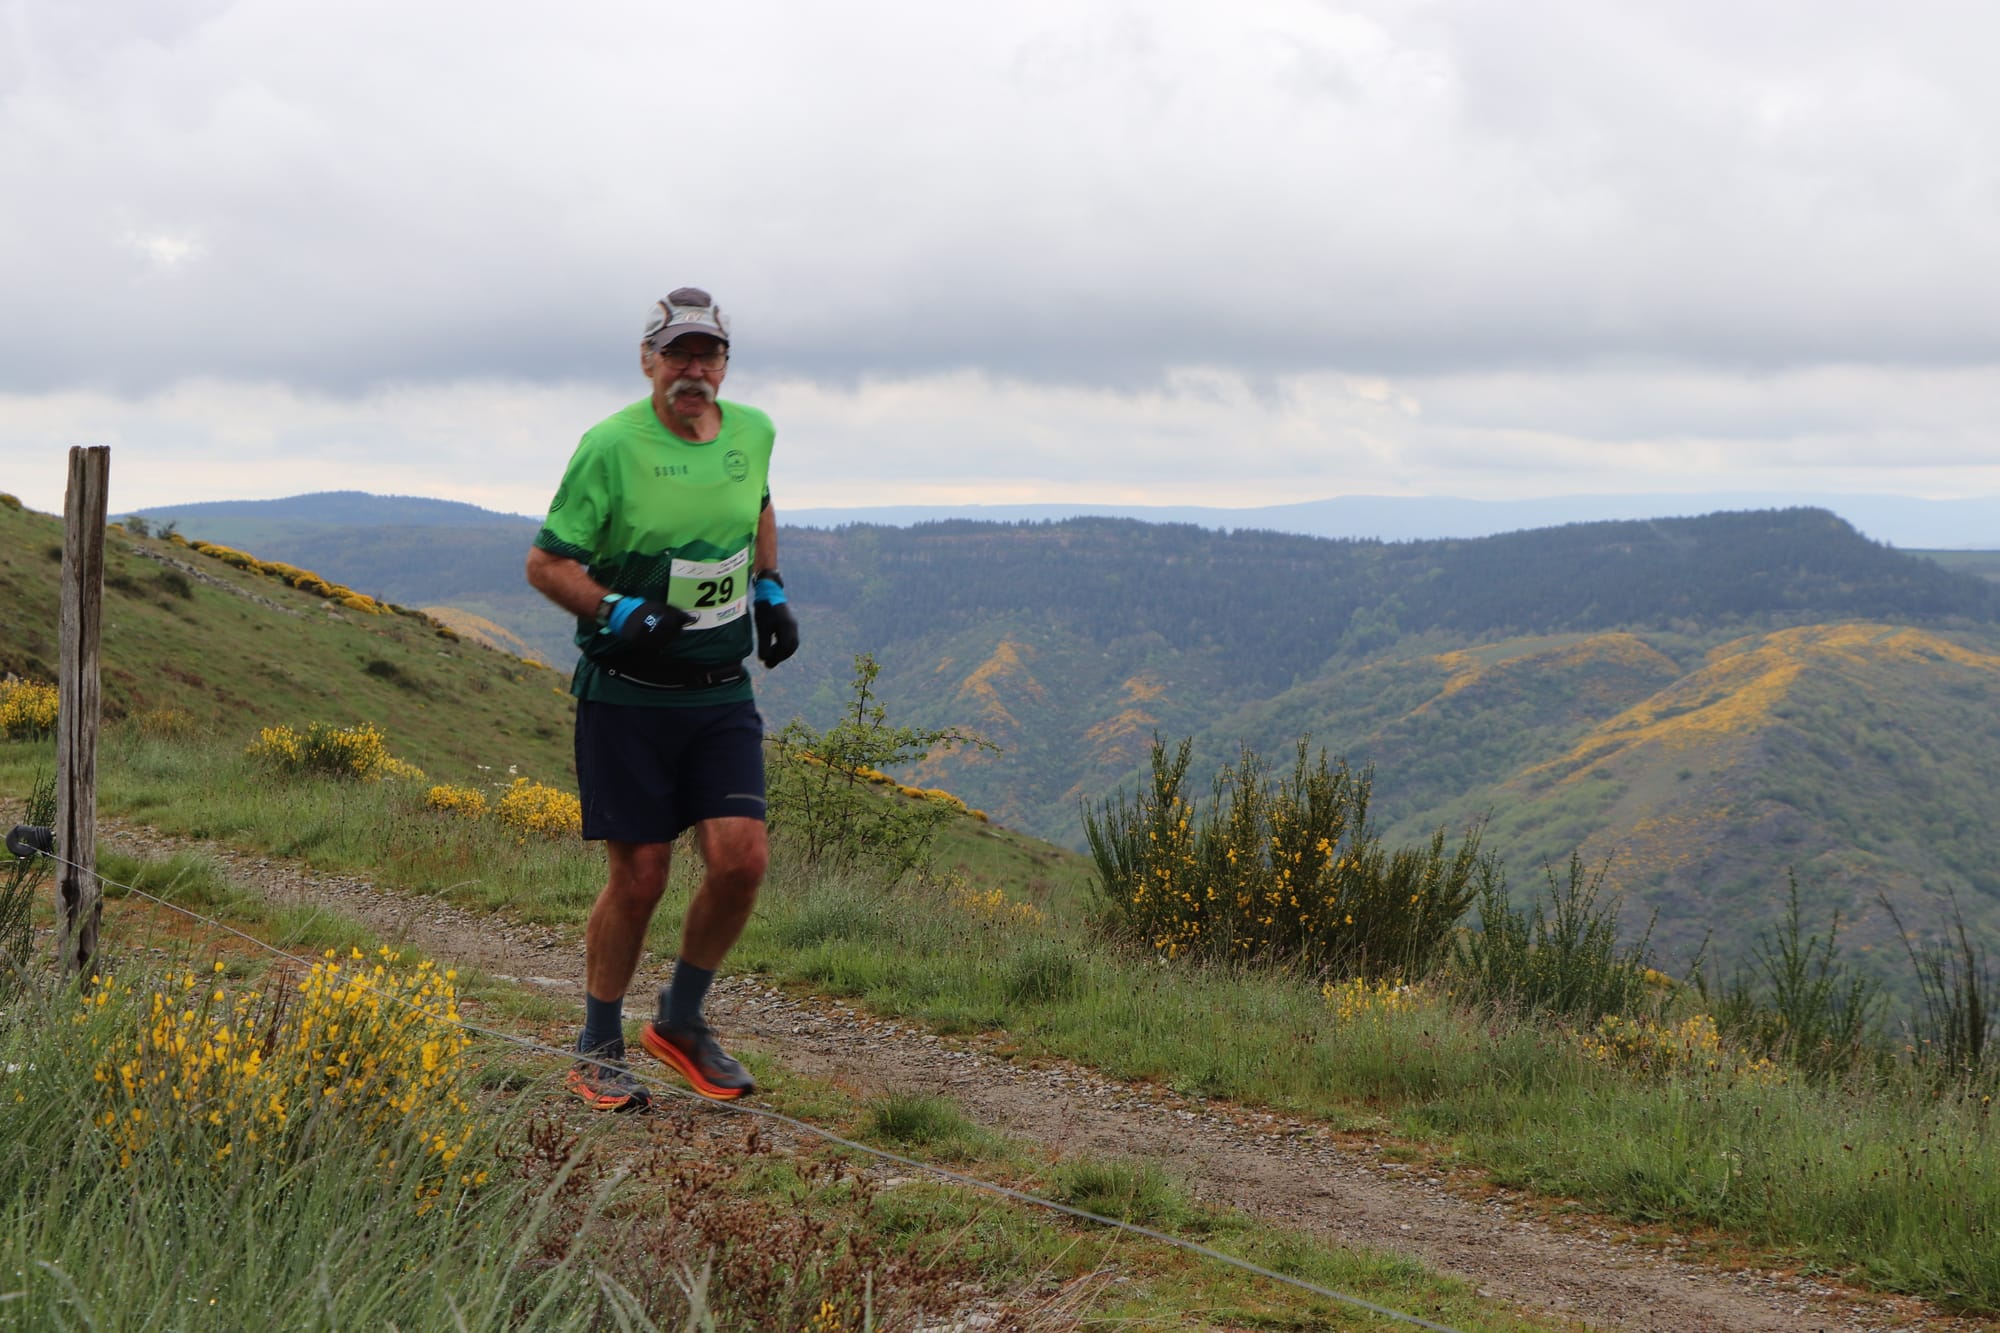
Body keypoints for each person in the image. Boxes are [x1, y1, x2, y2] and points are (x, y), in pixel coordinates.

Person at [525, 287, 800, 1110]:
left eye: (707, 354)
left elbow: (757, 504)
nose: (693, 369)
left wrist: (771, 586)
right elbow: (546, 564)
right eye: (677, 353)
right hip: (628, 695)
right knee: (641, 877)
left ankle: (680, 1020)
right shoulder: (610, 446)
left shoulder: (753, 431)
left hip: (719, 690)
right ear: (647, 359)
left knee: (742, 861)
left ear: (726, 364)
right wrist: (616, 610)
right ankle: (597, 1043)